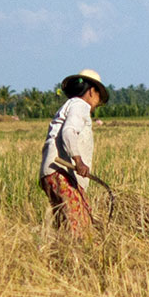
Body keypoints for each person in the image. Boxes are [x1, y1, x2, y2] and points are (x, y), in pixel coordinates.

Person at [38, 68, 109, 235]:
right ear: (92, 91)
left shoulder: (71, 105)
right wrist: (78, 161)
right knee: (79, 228)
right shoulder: (80, 105)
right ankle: (76, 257)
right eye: (99, 97)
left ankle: (59, 258)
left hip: (53, 173)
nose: (97, 103)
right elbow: (68, 132)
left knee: (65, 226)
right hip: (61, 173)